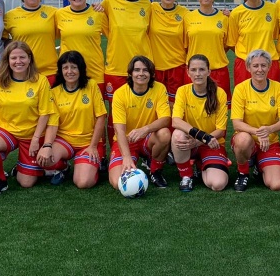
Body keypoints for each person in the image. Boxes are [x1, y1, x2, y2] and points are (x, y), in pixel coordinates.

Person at [0, 41, 57, 196]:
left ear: (29, 59)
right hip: (7, 131)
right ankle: (0, 180)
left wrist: (36, 139)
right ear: (7, 60)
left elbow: (45, 113)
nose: (18, 61)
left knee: (26, 183)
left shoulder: (40, 81)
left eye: (22, 57)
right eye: (13, 58)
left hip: (31, 135)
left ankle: (27, 166)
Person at [100, 0, 152, 140]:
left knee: (144, 113)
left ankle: (144, 153)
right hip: (116, 68)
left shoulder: (147, 5)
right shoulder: (110, 1)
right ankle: (115, 152)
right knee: (116, 115)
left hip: (143, 69)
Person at [41, 51, 107, 188]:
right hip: (65, 140)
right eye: (65, 68)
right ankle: (64, 167)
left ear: (80, 69)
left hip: (88, 142)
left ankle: (89, 164)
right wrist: (47, 146)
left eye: (74, 67)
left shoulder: (91, 86)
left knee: (83, 183)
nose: (69, 71)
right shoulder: (54, 92)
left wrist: (93, 146)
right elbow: (52, 124)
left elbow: (101, 117)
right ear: (60, 70)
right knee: (43, 160)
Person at [108, 56, 172, 190]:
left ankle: (155, 171)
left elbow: (166, 119)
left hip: (147, 138)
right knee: (117, 182)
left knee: (165, 134)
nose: (141, 74)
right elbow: (119, 130)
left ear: (152, 74)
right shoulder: (120, 94)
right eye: (137, 70)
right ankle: (133, 160)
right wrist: (126, 157)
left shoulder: (159, 88)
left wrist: (145, 129)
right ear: (130, 74)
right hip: (128, 141)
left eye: (145, 70)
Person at [230, 50, 280, 192]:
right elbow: (237, 123)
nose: (260, 69)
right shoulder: (241, 88)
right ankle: (242, 173)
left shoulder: (278, 87)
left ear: (269, 67)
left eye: (263, 65)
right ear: (248, 68)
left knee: (277, 185)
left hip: (269, 142)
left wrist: (268, 130)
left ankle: (259, 166)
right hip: (247, 138)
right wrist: (258, 132)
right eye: (255, 66)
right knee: (243, 140)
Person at [171, 54, 231, 192]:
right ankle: (186, 176)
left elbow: (221, 130)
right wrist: (201, 136)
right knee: (178, 135)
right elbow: (176, 121)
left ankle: (201, 164)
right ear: (188, 72)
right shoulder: (182, 91)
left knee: (218, 185)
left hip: (211, 143)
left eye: (202, 69)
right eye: (193, 70)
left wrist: (200, 141)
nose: (197, 74)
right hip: (192, 142)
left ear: (209, 72)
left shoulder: (219, 93)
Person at [56, 0, 107, 96]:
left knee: (97, 112)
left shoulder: (99, 13)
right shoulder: (59, 14)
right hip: (69, 73)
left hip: (94, 73)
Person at [3, 0, 58, 85]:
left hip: (50, 72)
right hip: (23, 73)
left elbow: (74, 15)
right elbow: (2, 41)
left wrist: (94, 7)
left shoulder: (54, 13)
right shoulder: (10, 16)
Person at [227, 0, 280, 85]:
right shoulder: (236, 13)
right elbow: (232, 43)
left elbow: (274, 35)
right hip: (245, 64)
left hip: (269, 63)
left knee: (270, 99)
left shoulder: (273, 9)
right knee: (245, 100)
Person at [185, 0, 231, 102]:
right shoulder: (188, 17)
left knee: (219, 107)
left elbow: (226, 45)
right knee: (193, 108)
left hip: (218, 71)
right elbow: (185, 46)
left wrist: (215, 55)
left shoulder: (224, 18)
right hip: (195, 71)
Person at [150, 0, 189, 104]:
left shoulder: (185, 13)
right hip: (155, 68)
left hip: (177, 67)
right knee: (155, 107)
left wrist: (224, 14)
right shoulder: (150, 8)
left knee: (174, 107)